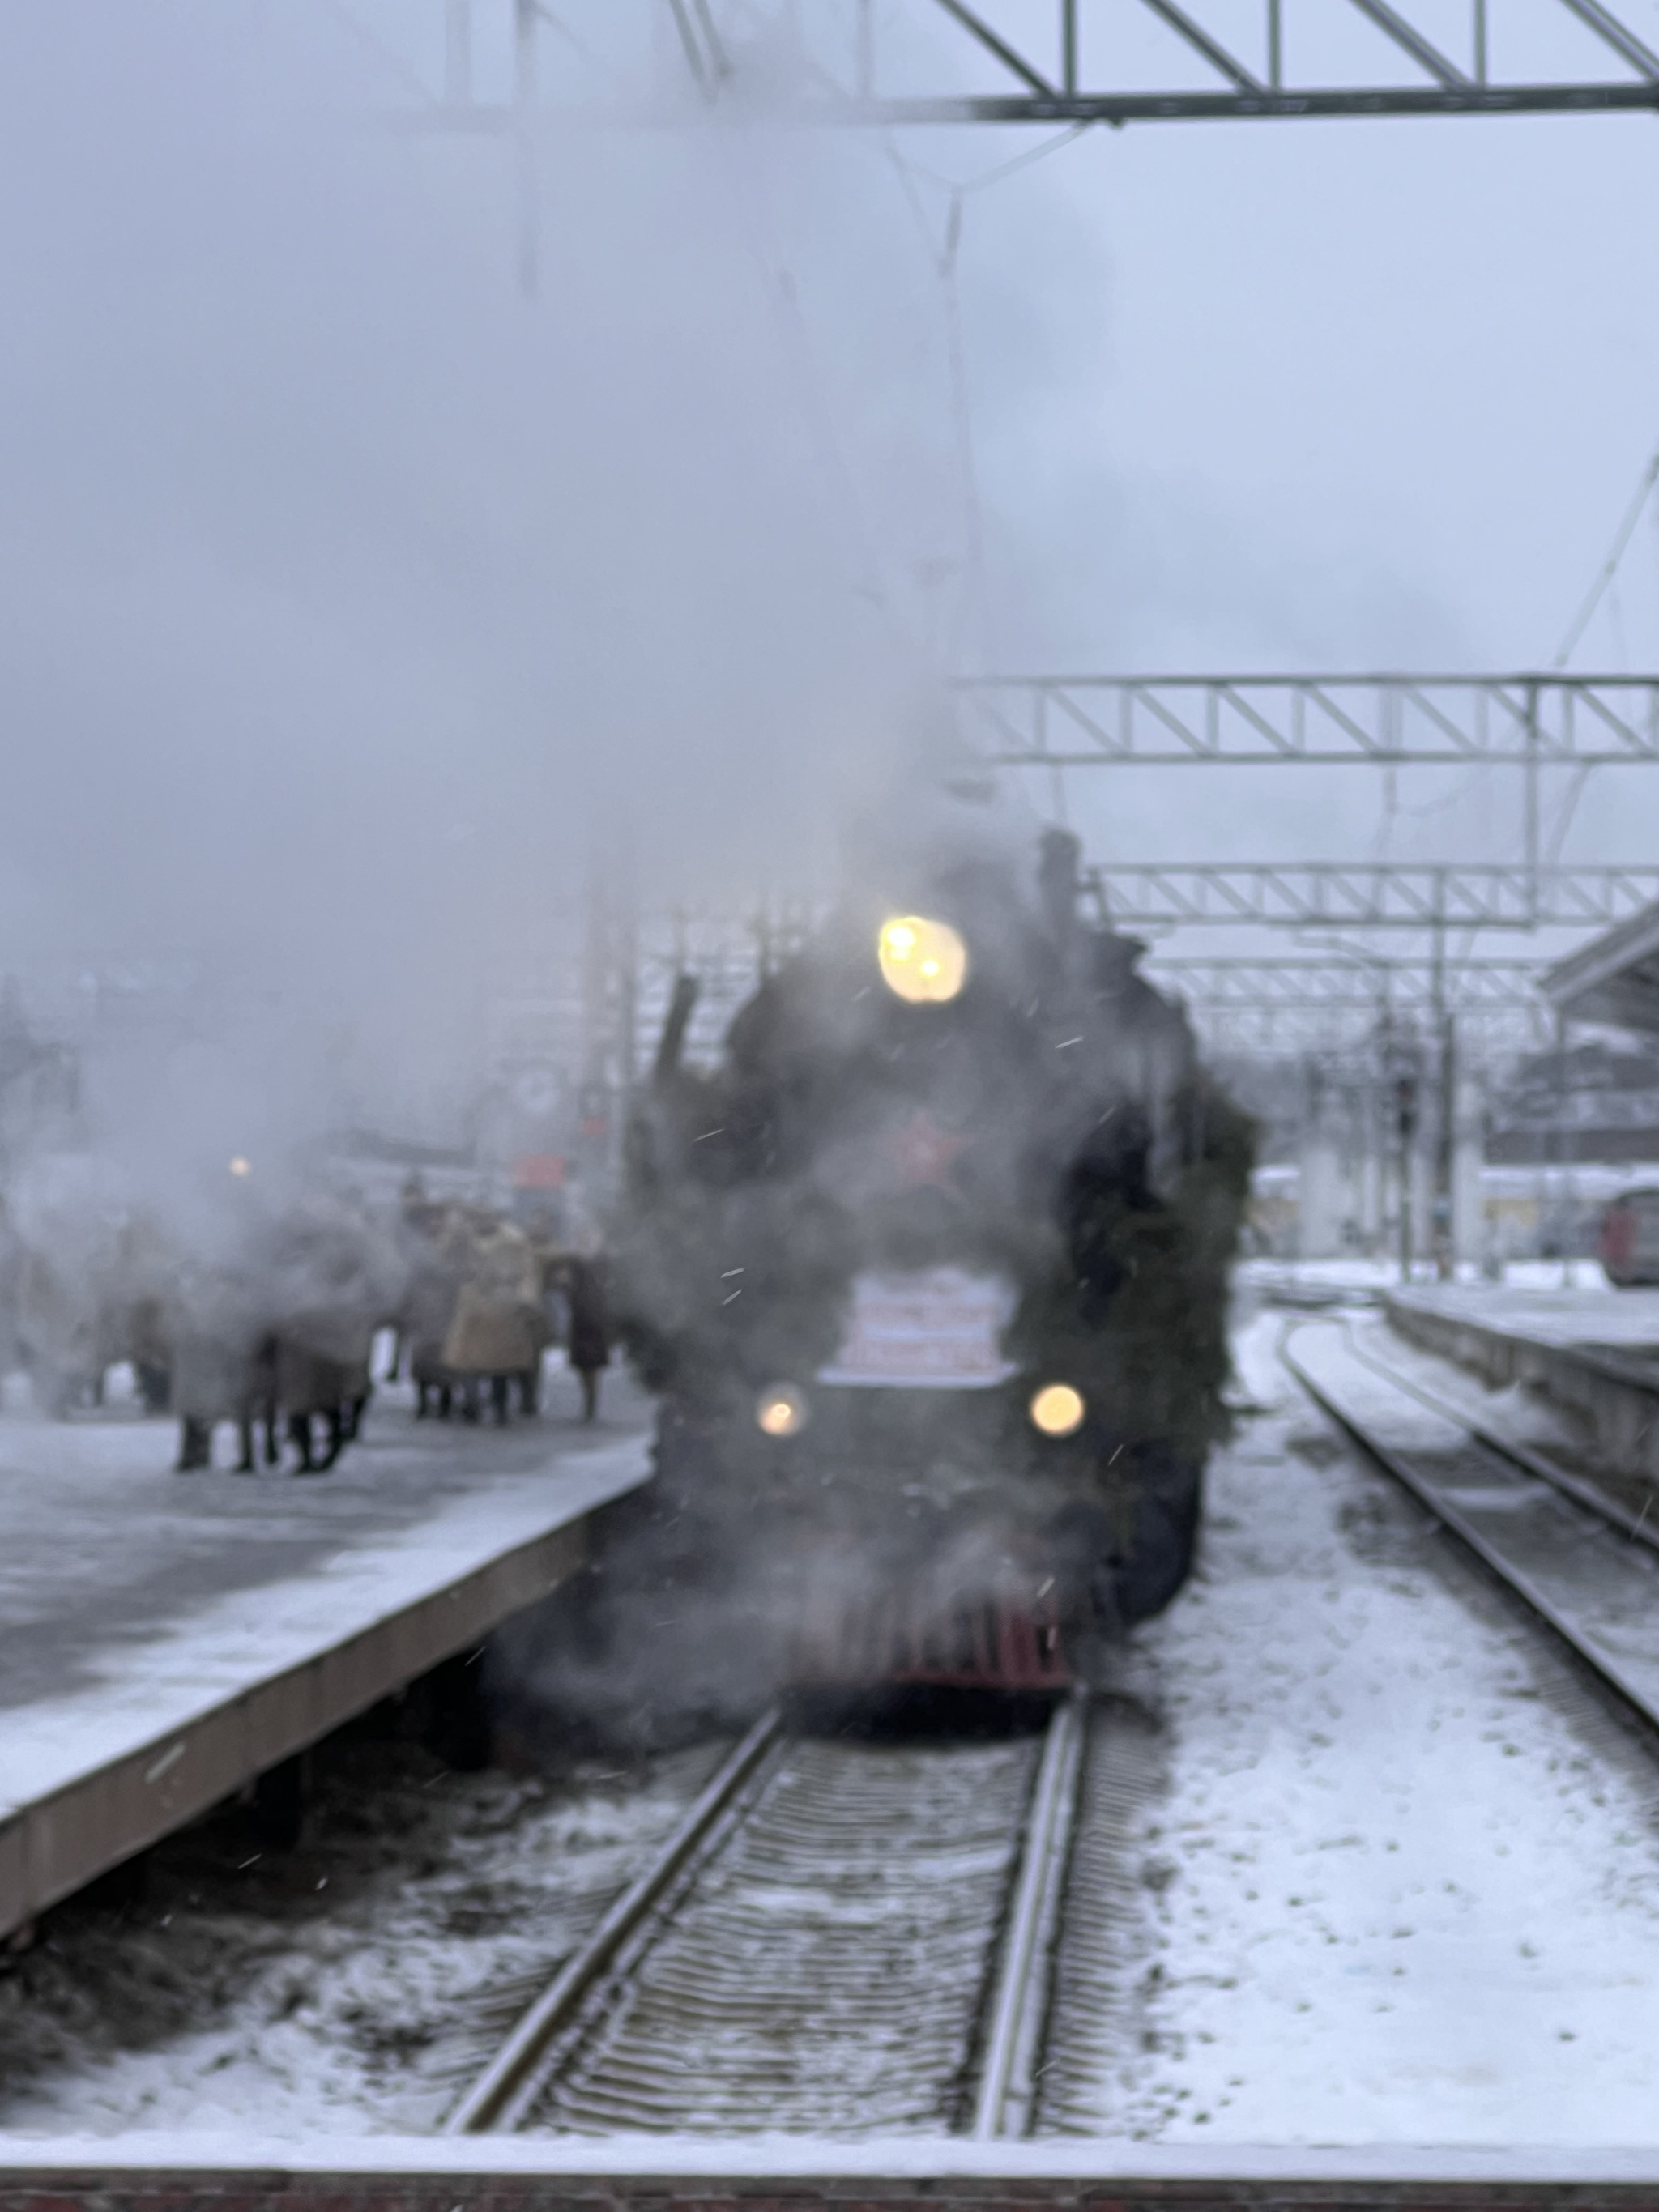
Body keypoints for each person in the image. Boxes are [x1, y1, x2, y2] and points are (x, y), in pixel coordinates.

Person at [565, 1253, 610, 1421]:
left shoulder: (601, 1265)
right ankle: (589, 1400)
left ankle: (590, 1401)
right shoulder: (574, 1265)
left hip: (594, 1323)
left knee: (591, 1367)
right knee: (584, 1367)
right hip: (581, 1322)